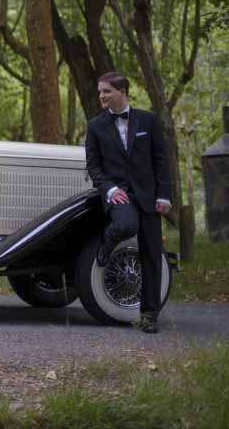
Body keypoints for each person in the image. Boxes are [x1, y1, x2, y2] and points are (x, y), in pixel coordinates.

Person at [85, 72, 171, 333]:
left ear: (122, 92)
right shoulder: (95, 126)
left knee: (152, 255)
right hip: (118, 195)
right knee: (125, 225)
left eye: (106, 91)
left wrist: (164, 195)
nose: (101, 95)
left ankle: (149, 315)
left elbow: (161, 160)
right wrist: (109, 190)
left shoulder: (149, 120)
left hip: (149, 195)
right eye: (100, 91)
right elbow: (93, 166)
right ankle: (106, 245)